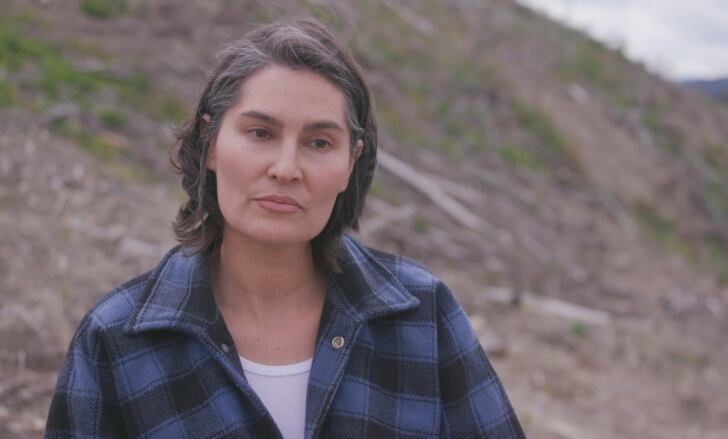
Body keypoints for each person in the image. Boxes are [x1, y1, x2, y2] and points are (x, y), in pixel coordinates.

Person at [45, 18, 525, 439]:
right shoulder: (117, 340)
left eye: (319, 142)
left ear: (350, 162)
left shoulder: (423, 315)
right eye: (260, 133)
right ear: (211, 144)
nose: (286, 167)